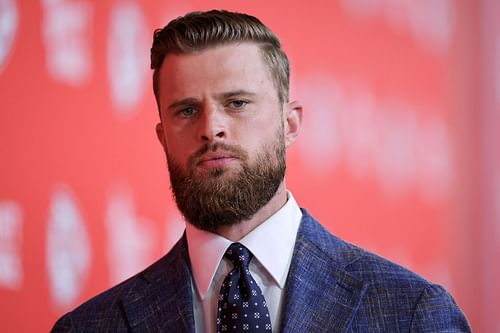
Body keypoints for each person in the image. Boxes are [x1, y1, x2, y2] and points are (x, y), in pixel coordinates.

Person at [51, 10, 471, 332]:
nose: (211, 127)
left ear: (290, 125)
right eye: (187, 110)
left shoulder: (411, 313)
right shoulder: (90, 326)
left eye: (237, 103)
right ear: (163, 138)